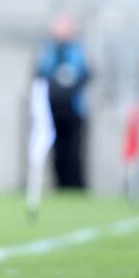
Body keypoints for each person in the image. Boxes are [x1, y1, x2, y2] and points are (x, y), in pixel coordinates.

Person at [33, 14, 91, 189]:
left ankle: (75, 185)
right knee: (56, 149)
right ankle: (59, 185)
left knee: (74, 149)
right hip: (53, 107)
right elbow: (40, 74)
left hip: (74, 108)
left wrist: (70, 85)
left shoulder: (78, 50)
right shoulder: (48, 50)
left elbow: (86, 74)